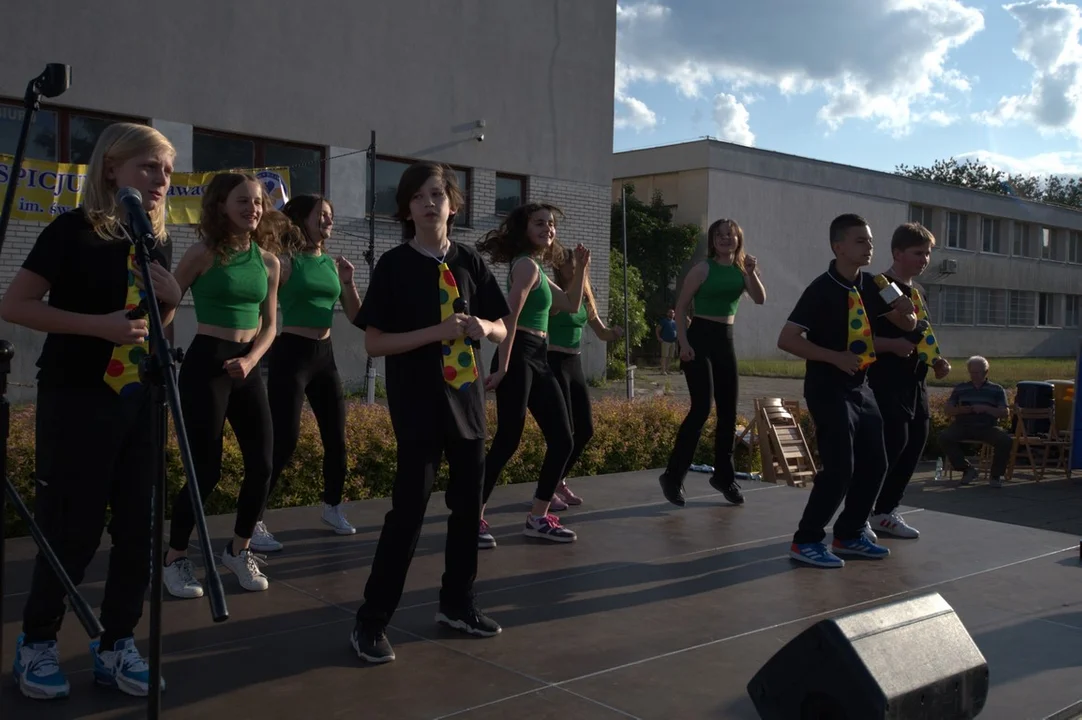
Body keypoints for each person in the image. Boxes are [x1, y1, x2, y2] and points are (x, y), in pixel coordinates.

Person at [1, 122, 181, 700]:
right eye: (150, 167)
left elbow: (152, 326)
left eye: (168, 171)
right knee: (71, 528)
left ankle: (116, 644)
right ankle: (37, 643)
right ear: (112, 169)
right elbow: (17, 305)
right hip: (78, 396)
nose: (162, 181)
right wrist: (96, 327)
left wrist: (173, 301)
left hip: (140, 399)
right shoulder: (71, 231)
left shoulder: (156, 241)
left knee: (138, 531)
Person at [350, 161, 510, 663]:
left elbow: (505, 324)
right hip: (418, 403)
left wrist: (485, 328)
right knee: (409, 513)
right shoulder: (395, 266)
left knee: (468, 511)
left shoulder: (469, 262)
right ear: (406, 207)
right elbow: (374, 344)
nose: (428, 202)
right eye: (417, 195)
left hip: (467, 403)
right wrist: (436, 333)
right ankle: (371, 621)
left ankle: (457, 604)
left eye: (437, 193)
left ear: (453, 204)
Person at [162, 172, 282, 598]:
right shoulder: (203, 253)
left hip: (246, 369)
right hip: (207, 365)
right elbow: (168, 304)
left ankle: (239, 548)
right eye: (243, 201)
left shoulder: (269, 261)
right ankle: (175, 557)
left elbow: (271, 324)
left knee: (263, 464)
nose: (253, 208)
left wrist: (252, 359)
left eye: (258, 202)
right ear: (220, 206)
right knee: (205, 469)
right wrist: (160, 355)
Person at [776, 213, 916, 569]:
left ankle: (849, 534)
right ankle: (806, 540)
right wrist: (834, 357)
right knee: (840, 468)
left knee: (877, 462)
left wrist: (905, 310)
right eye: (860, 241)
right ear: (838, 246)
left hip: (860, 386)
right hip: (827, 386)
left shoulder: (877, 284)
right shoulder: (820, 289)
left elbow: (907, 322)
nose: (868, 246)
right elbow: (788, 339)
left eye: (869, 241)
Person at [250, 194, 362, 553]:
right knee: (285, 439)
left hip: (324, 355)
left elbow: (358, 317)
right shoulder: (285, 262)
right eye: (322, 215)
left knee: (337, 438)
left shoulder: (331, 264)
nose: (328, 221)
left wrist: (348, 281)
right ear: (302, 220)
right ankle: (252, 519)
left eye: (330, 215)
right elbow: (259, 305)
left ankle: (332, 507)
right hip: (291, 354)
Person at [476, 203, 589, 547]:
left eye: (551, 224)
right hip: (519, 352)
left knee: (564, 438)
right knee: (508, 439)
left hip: (539, 356)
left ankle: (538, 517)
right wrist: (503, 367)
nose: (548, 229)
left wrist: (581, 267)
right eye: (540, 223)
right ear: (525, 229)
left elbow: (571, 304)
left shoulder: (537, 268)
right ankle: (471, 515)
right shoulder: (525, 266)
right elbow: (508, 318)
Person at [659, 218, 766, 508]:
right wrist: (684, 343)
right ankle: (673, 475)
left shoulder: (742, 270)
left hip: (725, 340)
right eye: (719, 235)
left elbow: (759, 299)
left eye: (730, 235)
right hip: (699, 339)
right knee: (702, 408)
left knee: (729, 412)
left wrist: (752, 273)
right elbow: (681, 308)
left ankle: (723, 476)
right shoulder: (702, 269)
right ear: (712, 240)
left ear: (738, 239)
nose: (725, 239)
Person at [865, 222, 951, 539]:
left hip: (916, 382)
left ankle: (886, 511)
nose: (924, 259)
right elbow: (857, 340)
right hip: (885, 380)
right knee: (890, 447)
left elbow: (921, 333)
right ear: (898, 252)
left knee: (915, 443)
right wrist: (890, 346)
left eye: (927, 253)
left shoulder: (918, 292)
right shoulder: (878, 287)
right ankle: (861, 511)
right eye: (918, 252)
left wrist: (937, 360)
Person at [545, 246, 624, 507]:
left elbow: (600, 332)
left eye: (580, 264)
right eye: (572, 264)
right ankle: (546, 490)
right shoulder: (556, 295)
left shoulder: (585, 298)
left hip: (574, 362)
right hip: (554, 362)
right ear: (561, 268)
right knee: (563, 432)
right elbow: (561, 309)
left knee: (585, 429)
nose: (576, 268)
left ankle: (557, 481)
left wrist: (615, 332)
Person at [939, 356, 1012, 487]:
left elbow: (1005, 412)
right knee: (945, 436)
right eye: (972, 372)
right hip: (963, 424)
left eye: (977, 373)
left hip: (987, 426)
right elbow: (948, 409)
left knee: (1005, 440)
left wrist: (986, 409)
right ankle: (967, 469)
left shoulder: (996, 389)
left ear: (985, 372)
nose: (974, 376)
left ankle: (995, 475)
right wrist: (961, 410)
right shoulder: (961, 388)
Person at [656, 308, 677, 374]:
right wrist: (658, 337)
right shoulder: (664, 321)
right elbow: (657, 329)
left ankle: (668, 370)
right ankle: (663, 370)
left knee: (670, 357)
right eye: (670, 312)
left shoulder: (675, 322)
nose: (672, 314)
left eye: (673, 312)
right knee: (664, 356)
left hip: (673, 342)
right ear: (667, 314)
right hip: (665, 341)